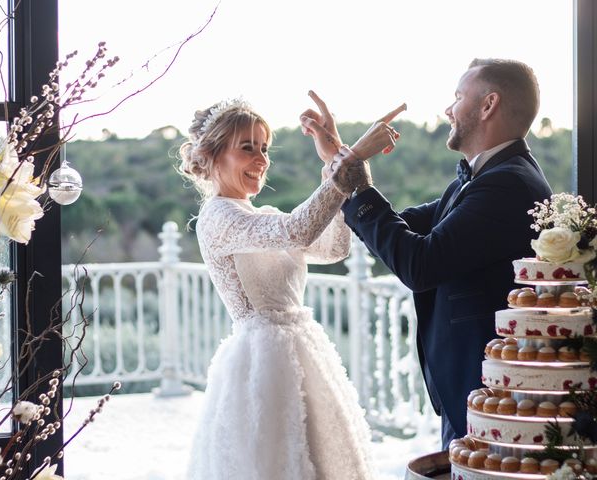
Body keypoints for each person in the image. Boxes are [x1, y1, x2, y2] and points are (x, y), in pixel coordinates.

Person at [305, 58, 553, 450]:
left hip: (493, 396)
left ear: (488, 105)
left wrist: (357, 177)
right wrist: (343, 159)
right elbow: (398, 227)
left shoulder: (508, 184)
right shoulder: (487, 177)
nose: (448, 110)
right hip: (473, 393)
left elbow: (418, 263)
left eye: (457, 97)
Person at [179, 94, 399, 479]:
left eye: (264, 148)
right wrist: (350, 160)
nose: (262, 160)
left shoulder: (260, 215)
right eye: (247, 148)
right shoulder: (217, 217)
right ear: (213, 156)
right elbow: (298, 229)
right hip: (262, 364)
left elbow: (332, 247)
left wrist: (336, 160)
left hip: (303, 354)